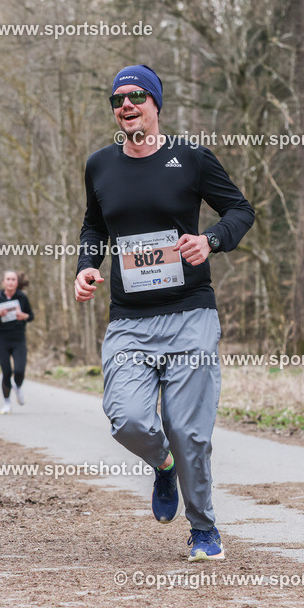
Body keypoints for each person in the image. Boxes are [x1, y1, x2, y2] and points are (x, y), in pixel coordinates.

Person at [74, 65, 254, 562]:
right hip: (129, 319)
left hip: (190, 313)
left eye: (136, 97)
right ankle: (163, 463)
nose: (125, 105)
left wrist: (210, 240)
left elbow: (240, 210)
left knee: (190, 429)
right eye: (117, 100)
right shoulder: (100, 165)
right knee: (126, 418)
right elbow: (94, 226)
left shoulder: (191, 158)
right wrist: (87, 266)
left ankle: (203, 528)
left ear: (155, 104)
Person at [0, 271, 34, 414]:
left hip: (18, 338)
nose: (11, 282)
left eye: (13, 279)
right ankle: (7, 403)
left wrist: (24, 316)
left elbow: (31, 316)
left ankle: (18, 387)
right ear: (3, 282)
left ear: (17, 282)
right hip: (2, 339)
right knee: (6, 372)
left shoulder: (22, 298)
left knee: (19, 370)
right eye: (8, 279)